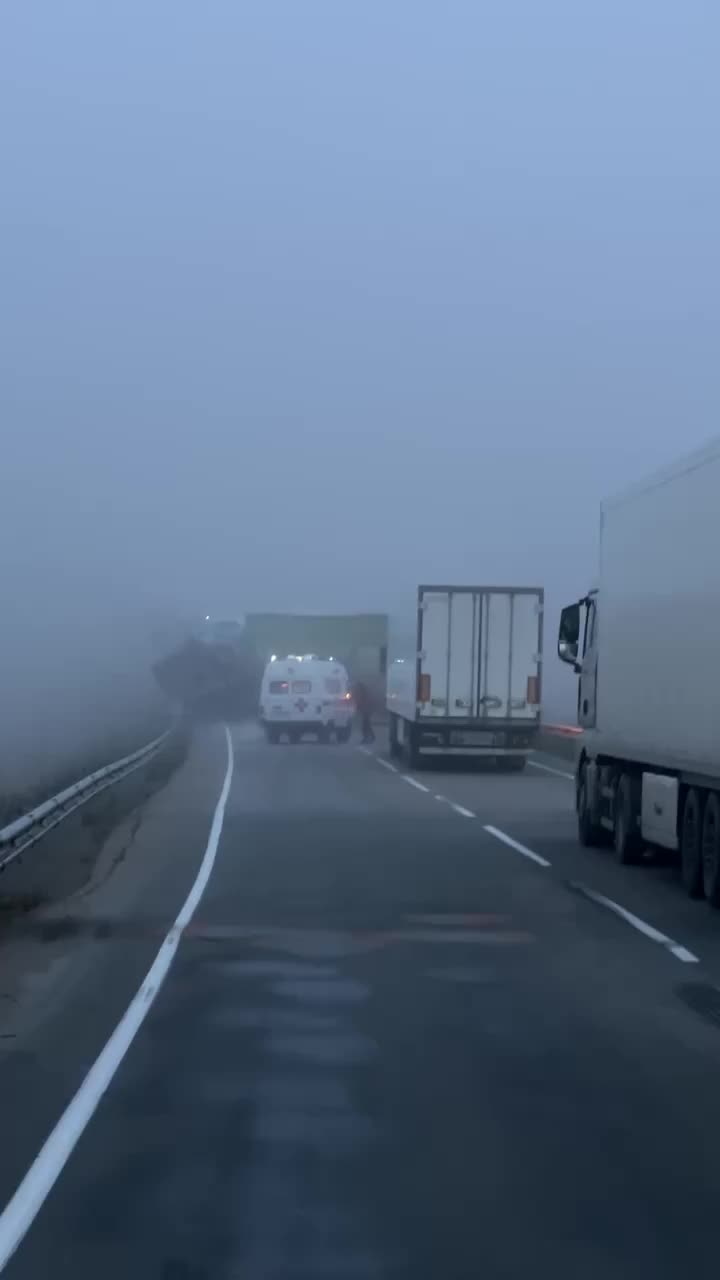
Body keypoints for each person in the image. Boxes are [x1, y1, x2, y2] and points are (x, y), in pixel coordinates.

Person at [353, 679, 375, 744]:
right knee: (367, 724)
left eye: (357, 686)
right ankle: (371, 737)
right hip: (367, 710)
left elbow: (360, 701)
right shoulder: (365, 692)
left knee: (365, 725)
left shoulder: (362, 693)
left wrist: (358, 707)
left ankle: (367, 738)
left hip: (366, 710)